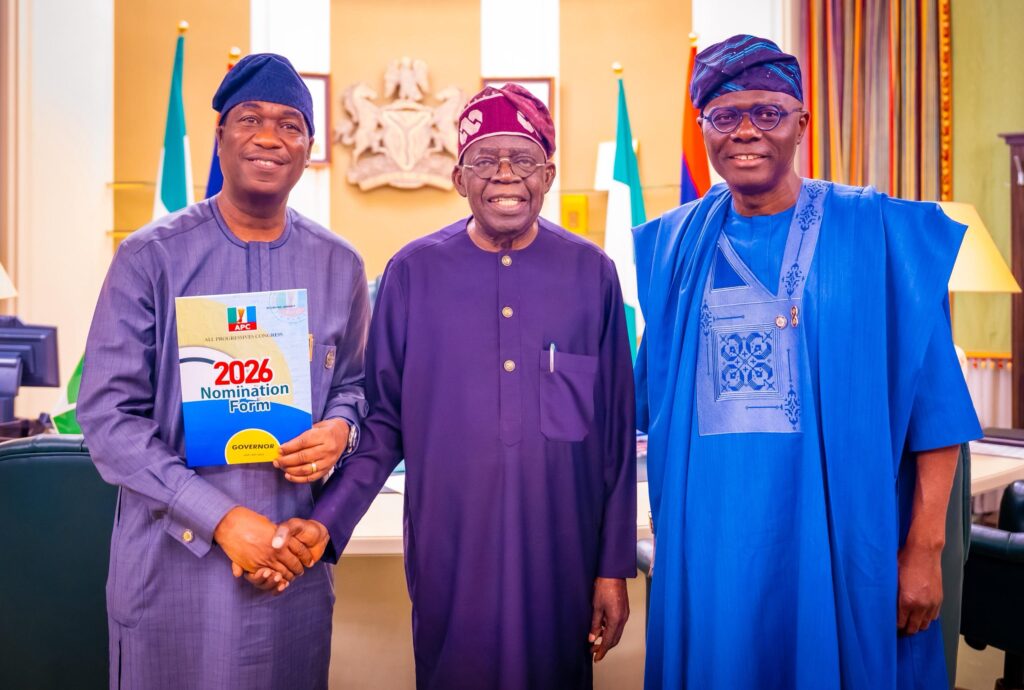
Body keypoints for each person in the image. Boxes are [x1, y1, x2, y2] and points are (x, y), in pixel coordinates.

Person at [634, 34, 983, 690]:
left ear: (802, 123)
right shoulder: (675, 248)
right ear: (702, 127)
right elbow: (649, 408)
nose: (745, 132)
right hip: (713, 550)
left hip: (840, 539)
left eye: (767, 113)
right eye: (724, 115)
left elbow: (936, 409)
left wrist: (925, 546)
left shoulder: (874, 231)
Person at [273, 84, 637, 689]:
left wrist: (611, 568)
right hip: (451, 556)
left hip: (562, 559)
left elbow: (616, 437)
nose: (505, 175)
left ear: (548, 175)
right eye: (484, 160)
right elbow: (383, 422)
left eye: (523, 160)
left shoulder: (592, 272)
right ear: (458, 178)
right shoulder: (412, 273)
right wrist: (326, 520)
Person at [78, 53, 369, 689]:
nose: (270, 137)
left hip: (292, 562)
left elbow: (354, 385)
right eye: (250, 119)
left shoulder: (339, 264)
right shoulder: (150, 257)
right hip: (173, 568)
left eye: (290, 125)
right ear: (220, 135)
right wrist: (224, 520)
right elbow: (107, 418)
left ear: (309, 148)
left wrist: (341, 429)